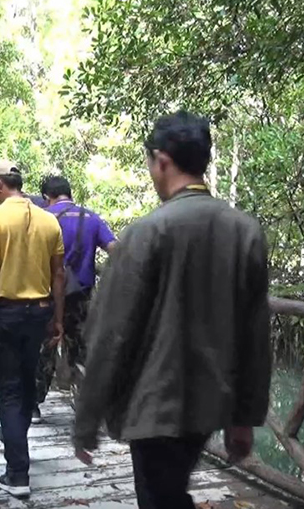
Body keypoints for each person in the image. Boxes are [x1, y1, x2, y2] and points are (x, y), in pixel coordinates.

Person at [73, 112, 271, 509]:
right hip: (210, 405)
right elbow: (255, 336)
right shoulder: (245, 231)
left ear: (161, 160)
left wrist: (87, 419)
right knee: (168, 493)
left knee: (160, 498)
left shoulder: (145, 232)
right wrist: (244, 418)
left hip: (154, 406)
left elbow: (111, 333)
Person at [0, 160, 65, 499]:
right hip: (39, 312)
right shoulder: (48, 220)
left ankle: (17, 473)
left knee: (10, 391)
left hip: (6, 313)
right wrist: (58, 318)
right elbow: (59, 274)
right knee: (26, 385)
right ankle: (15, 438)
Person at [34, 175, 116, 423]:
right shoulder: (91, 217)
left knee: (43, 348)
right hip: (81, 295)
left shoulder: (43, 218)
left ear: (46, 197)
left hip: (47, 294)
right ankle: (85, 404)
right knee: (81, 349)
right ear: (69, 193)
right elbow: (115, 249)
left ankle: (33, 405)